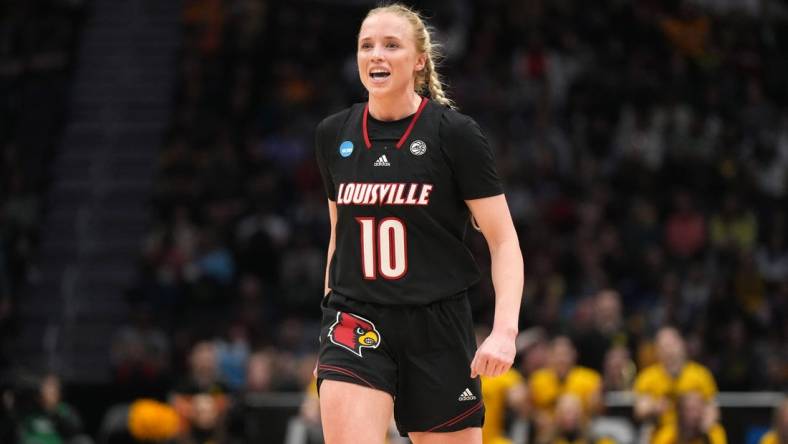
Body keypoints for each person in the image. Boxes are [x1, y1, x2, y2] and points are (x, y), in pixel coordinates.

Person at [313, 4, 524, 443]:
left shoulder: (455, 134)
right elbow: (340, 237)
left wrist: (504, 331)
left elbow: (503, 241)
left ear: (420, 59)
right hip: (356, 320)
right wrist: (327, 323)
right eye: (367, 46)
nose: (377, 56)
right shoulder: (334, 135)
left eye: (392, 45)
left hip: (439, 324)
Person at [633, 327, 718, 428]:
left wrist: (701, 427)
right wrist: (654, 407)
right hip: (662, 434)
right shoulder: (647, 377)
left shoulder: (701, 374)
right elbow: (640, 409)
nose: (669, 350)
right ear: (657, 351)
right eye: (663, 346)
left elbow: (712, 409)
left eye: (672, 344)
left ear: (682, 344)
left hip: (695, 432)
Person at [650, 391, 726, 444]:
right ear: (680, 412)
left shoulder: (713, 432)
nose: (695, 415)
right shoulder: (668, 433)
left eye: (698, 409)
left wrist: (705, 435)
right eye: (689, 410)